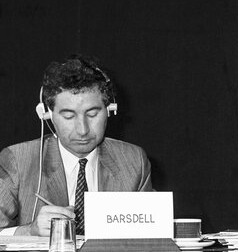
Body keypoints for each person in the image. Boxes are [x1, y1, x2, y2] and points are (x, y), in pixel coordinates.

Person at [0, 55, 153, 237]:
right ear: (47, 115)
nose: (82, 130)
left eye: (92, 114)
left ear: (110, 110)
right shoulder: (18, 160)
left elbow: (151, 238)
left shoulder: (134, 161)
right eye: (68, 116)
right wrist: (29, 231)